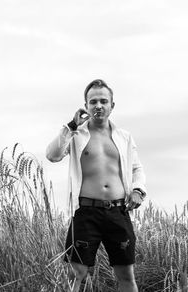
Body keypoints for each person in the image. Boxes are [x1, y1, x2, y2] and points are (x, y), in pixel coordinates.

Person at [46, 79, 146, 292]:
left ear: (112, 105)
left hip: (118, 212)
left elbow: (137, 169)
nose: (98, 105)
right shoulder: (75, 135)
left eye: (103, 101)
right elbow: (52, 155)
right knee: (76, 275)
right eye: (93, 102)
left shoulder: (124, 137)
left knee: (126, 276)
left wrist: (138, 190)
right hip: (85, 213)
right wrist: (71, 126)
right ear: (86, 105)